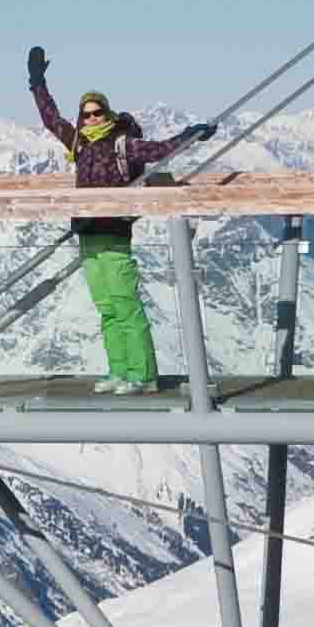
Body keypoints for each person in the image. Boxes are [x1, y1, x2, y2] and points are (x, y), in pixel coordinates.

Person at [28, 46, 213, 394]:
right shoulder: (78, 144)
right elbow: (51, 119)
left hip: (114, 233)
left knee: (126, 305)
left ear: (108, 113)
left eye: (97, 113)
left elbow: (161, 150)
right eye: (86, 115)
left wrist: (191, 134)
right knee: (107, 308)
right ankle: (119, 372)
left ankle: (142, 376)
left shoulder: (123, 144)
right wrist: (37, 84)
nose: (92, 119)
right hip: (87, 232)